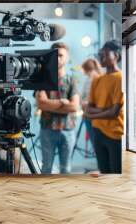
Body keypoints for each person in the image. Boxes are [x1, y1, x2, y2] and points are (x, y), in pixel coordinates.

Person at [35, 42, 80, 174]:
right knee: (46, 168)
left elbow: (74, 107)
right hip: (47, 129)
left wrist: (50, 105)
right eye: (55, 55)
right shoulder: (43, 78)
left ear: (67, 57)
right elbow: (41, 104)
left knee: (65, 169)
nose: (58, 58)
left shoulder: (72, 80)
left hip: (68, 130)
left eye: (61, 55)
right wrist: (62, 102)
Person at [84, 40, 124, 174]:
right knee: (104, 172)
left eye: (106, 54)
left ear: (116, 56)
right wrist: (103, 110)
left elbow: (114, 113)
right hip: (97, 132)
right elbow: (89, 108)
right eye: (101, 54)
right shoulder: (97, 79)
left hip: (115, 134)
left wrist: (91, 115)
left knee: (116, 173)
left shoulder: (121, 78)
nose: (101, 57)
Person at [80, 58, 102, 153]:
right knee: (95, 144)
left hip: (97, 117)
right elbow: (83, 97)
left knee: (98, 145)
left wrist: (87, 103)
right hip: (88, 116)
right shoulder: (87, 80)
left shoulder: (100, 79)